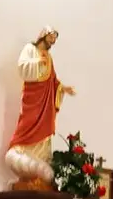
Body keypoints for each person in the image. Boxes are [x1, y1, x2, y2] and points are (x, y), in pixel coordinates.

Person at [5, 26, 76, 188]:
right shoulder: (30, 49)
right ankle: (22, 152)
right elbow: (22, 68)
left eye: (55, 39)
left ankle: (38, 167)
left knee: (44, 132)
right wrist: (38, 62)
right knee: (26, 125)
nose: (53, 41)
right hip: (32, 99)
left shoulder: (49, 57)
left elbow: (53, 81)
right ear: (43, 36)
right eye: (51, 37)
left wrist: (63, 88)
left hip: (45, 103)